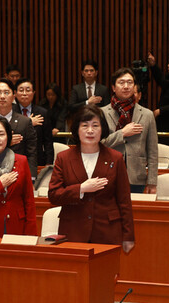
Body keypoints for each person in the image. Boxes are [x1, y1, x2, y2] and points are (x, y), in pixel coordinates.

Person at [48, 105, 135, 251]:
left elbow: (124, 200)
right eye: (84, 126)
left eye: (95, 125)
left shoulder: (115, 158)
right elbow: (54, 195)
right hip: (73, 231)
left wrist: (128, 235)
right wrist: (81, 189)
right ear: (76, 129)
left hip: (107, 232)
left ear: (102, 129)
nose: (90, 130)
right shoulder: (64, 158)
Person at [101, 67, 158, 194]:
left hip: (137, 177)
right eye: (121, 83)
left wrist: (152, 182)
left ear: (134, 86)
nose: (126, 86)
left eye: (130, 82)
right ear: (113, 88)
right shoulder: (102, 113)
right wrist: (122, 133)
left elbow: (153, 151)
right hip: (107, 175)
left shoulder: (147, 114)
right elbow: (99, 145)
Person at [15, 78, 53, 165]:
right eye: (21, 90)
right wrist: (28, 123)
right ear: (15, 93)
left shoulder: (42, 113)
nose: (24, 93)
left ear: (33, 93)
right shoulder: (10, 112)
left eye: (28, 90)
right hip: (15, 159)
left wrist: (49, 164)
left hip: (37, 160)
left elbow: (48, 142)